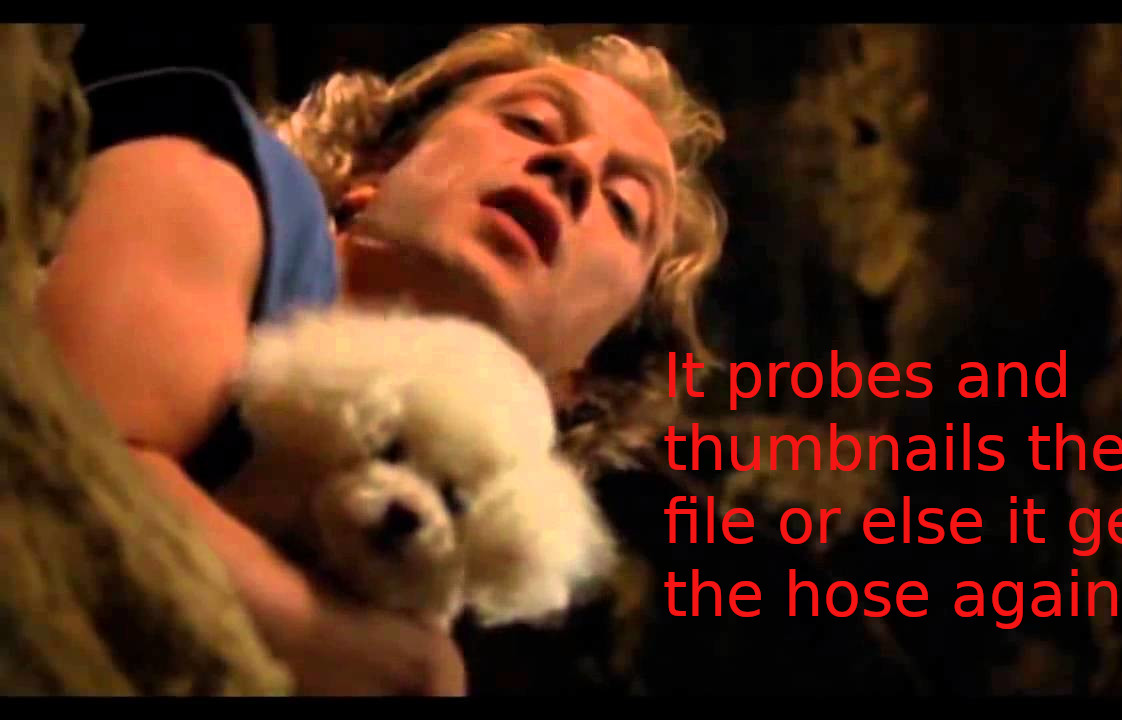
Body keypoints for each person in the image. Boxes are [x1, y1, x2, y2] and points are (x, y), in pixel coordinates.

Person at [37, 25, 727, 695]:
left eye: (623, 207)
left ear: (580, 378)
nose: (574, 165)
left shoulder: (422, 569)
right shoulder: (222, 178)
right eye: (530, 124)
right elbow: (64, 469)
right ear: (373, 169)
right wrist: (382, 663)